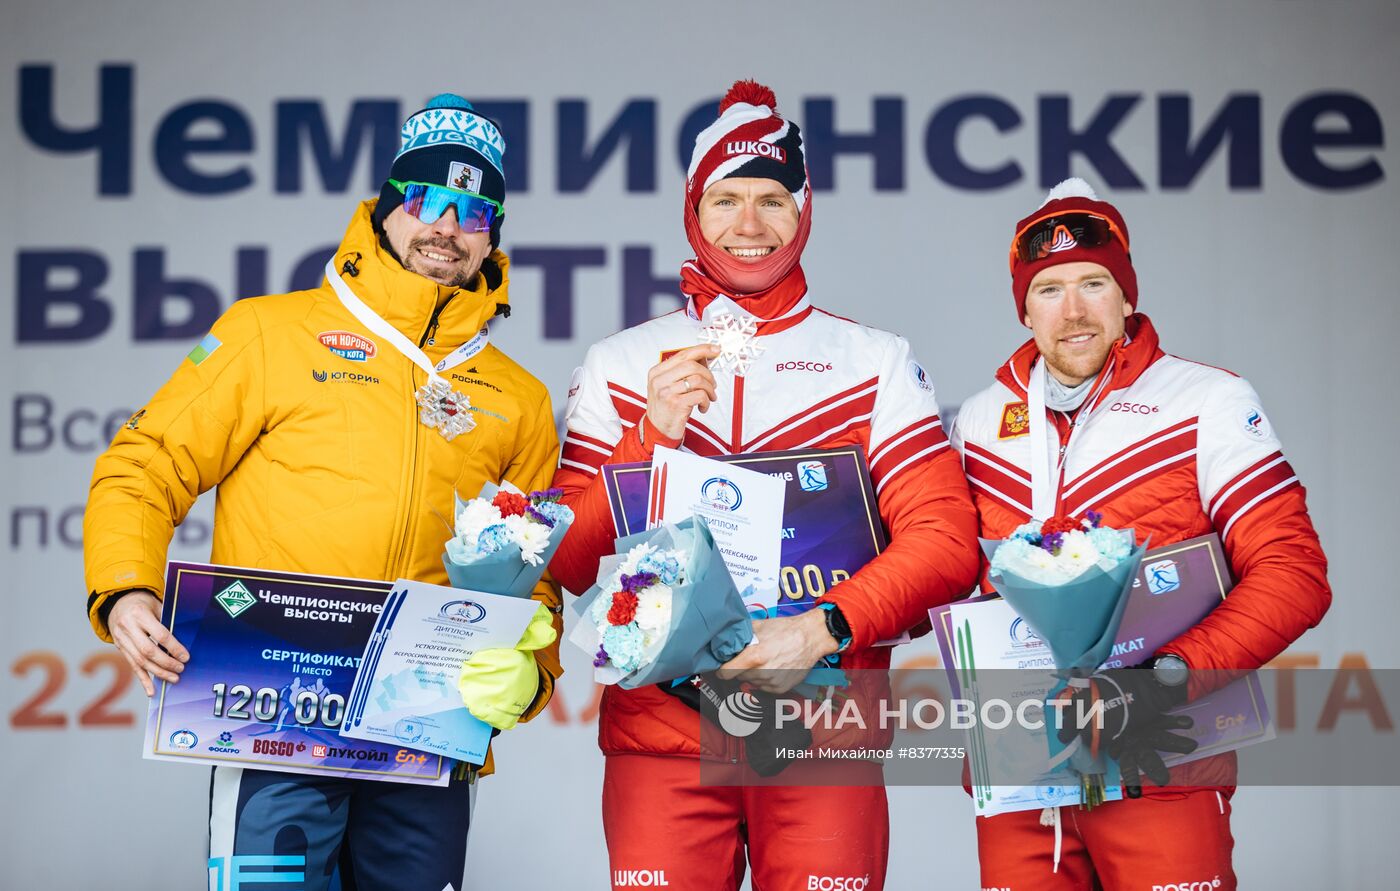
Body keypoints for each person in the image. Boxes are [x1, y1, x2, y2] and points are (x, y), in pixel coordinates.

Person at [82, 94, 562, 891]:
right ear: (385, 210)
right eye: (427, 200)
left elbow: (534, 573)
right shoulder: (269, 333)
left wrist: (532, 671)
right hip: (271, 714)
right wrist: (126, 590)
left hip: (423, 729)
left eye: (475, 212)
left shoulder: (518, 396)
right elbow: (145, 462)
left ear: (493, 235)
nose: (447, 227)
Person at [549, 80, 980, 891]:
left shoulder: (874, 360)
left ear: (804, 209)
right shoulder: (620, 363)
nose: (749, 225)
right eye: (726, 198)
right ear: (693, 208)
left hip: (823, 731)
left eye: (772, 199)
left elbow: (948, 543)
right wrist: (649, 440)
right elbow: (569, 561)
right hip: (663, 734)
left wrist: (821, 629)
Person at [949, 177, 1332, 889]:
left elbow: (1294, 572)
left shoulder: (1206, 400)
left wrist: (1162, 681)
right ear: (1024, 308)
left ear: (1127, 294)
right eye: (1049, 289)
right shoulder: (977, 421)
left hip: (1164, 760)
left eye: (1094, 282)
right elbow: (943, 575)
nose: (1074, 310)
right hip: (1024, 781)